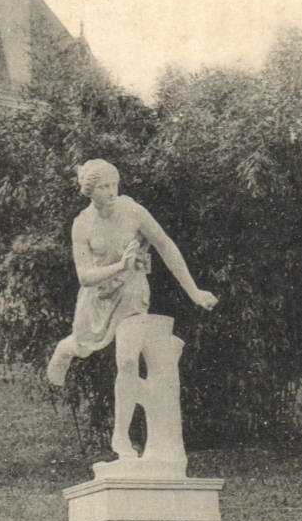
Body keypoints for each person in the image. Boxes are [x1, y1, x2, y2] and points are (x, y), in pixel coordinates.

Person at [47, 159, 217, 387]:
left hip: (131, 290)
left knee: (127, 359)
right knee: (82, 345)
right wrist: (120, 266)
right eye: (103, 187)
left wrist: (194, 292)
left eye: (114, 185)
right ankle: (64, 349)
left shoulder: (133, 212)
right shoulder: (82, 224)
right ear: (89, 191)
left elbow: (165, 246)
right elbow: (85, 277)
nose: (111, 192)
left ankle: (124, 419)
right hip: (98, 295)